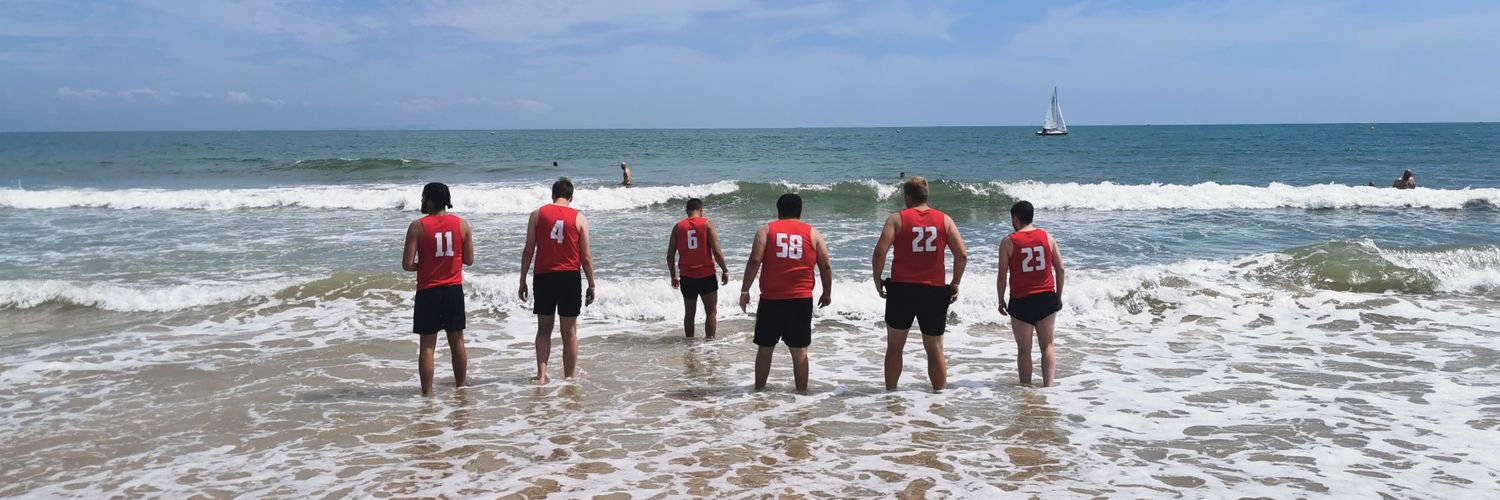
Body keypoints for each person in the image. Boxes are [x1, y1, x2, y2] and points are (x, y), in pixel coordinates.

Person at [871, 177, 968, 392]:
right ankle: (940, 395)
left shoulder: (897, 219)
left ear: (907, 197)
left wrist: (877, 279)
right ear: (926, 195)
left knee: (895, 347)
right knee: (935, 349)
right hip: (933, 291)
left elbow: (880, 252)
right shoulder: (944, 220)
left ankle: (891, 395)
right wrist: (955, 283)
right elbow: (961, 254)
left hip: (902, 290)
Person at [738, 193, 832, 392]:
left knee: (765, 349)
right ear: (800, 211)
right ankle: (801, 394)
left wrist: (745, 290)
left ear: (778, 210)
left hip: (771, 299)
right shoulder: (813, 233)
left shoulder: (766, 230)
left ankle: (759, 392)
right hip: (801, 299)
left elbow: (755, 260)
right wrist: (827, 292)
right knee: (800, 352)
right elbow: (825, 266)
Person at [519, 178, 597, 384]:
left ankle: (542, 376)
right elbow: (586, 257)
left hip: (544, 276)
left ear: (553, 195)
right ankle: (569, 378)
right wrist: (591, 283)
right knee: (569, 332)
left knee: (543, 329)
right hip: (569, 277)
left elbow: (528, 251)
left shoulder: (537, 214)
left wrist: (522, 280)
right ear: (571, 197)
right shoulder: (579, 218)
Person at [401, 182, 474, 395]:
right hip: (453, 290)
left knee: (427, 346)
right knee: (457, 341)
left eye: (424, 197)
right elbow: (469, 260)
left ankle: (428, 394)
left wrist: (425, 265)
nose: (422, 201)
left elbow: (407, 264)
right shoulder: (462, 224)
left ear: (430, 200)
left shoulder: (417, 226)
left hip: (428, 291)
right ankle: (461, 387)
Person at [997, 201, 1065, 387]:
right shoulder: (1047, 237)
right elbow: (1060, 270)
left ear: (1015, 218)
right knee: (1048, 346)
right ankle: (1048, 387)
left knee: (1024, 350)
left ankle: (1026, 390)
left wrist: (1001, 300)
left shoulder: (1008, 241)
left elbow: (1002, 276)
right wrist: (1057, 297)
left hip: (1021, 301)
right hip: (1045, 298)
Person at [667, 198, 731, 339]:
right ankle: (710, 344)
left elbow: (670, 255)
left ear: (686, 210)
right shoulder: (707, 224)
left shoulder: (678, 227)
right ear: (701, 210)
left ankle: (690, 345)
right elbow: (717, 251)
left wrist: (673, 275)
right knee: (711, 312)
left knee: (689, 313)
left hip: (687, 277)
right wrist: (725, 270)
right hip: (706, 275)